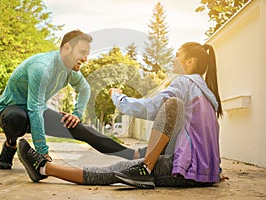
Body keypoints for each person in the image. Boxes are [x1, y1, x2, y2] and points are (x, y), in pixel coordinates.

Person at [17, 42, 223, 189]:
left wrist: (118, 97)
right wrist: (213, 170)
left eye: (177, 54)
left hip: (185, 172)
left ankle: (44, 168)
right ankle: (142, 160)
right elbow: (204, 138)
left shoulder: (184, 84)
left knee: (116, 169)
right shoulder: (208, 95)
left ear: (190, 61)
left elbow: (151, 108)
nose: (173, 58)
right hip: (201, 170)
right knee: (171, 112)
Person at [0, 29, 141, 170]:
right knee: (16, 118)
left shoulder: (69, 71)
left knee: (83, 130)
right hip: (11, 110)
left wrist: (77, 114)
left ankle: (134, 155)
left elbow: (85, 89)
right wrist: (43, 153)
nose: (85, 59)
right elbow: (34, 109)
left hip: (37, 110)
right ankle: (10, 144)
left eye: (87, 54)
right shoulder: (42, 67)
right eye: (82, 53)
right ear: (66, 48)